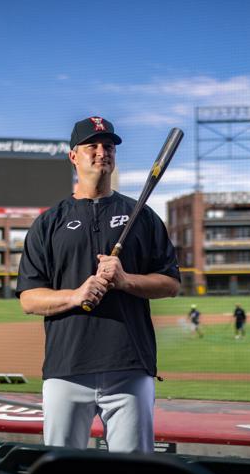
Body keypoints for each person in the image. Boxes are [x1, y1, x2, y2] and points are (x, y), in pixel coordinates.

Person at [16, 116, 181, 453]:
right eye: (92, 145)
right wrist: (76, 296)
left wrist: (125, 280)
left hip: (129, 366)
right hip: (66, 367)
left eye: (108, 146)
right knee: (60, 471)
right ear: (73, 156)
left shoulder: (141, 215)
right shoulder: (49, 222)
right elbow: (30, 298)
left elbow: (169, 283)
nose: (102, 152)